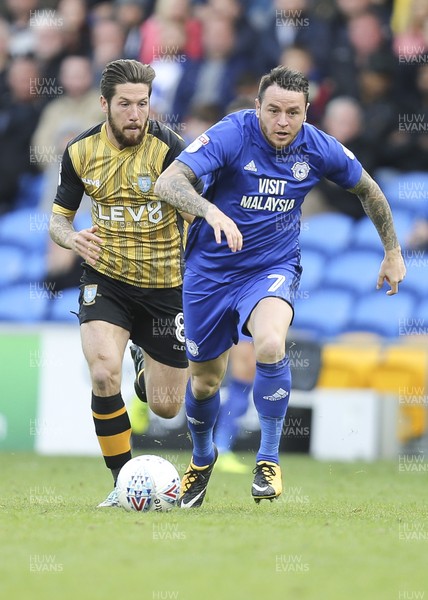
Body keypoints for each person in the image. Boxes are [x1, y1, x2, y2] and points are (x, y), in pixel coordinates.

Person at [154, 65, 406, 508]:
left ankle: (267, 460)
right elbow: (167, 182)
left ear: (307, 111)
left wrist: (392, 252)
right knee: (205, 384)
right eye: (274, 110)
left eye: (293, 112)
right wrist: (210, 212)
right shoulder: (232, 134)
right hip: (208, 273)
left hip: (271, 268)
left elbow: (369, 191)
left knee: (270, 344)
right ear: (258, 108)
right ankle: (201, 458)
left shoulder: (318, 146)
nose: (283, 122)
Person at [48, 59, 201, 507]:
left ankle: (143, 360)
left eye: (143, 104)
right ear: (104, 104)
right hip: (107, 278)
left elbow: (194, 208)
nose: (136, 114)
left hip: (165, 286)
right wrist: (73, 238)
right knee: (101, 373)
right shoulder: (79, 151)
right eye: (126, 105)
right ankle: (121, 482)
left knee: (167, 406)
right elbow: (58, 219)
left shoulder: (170, 148)